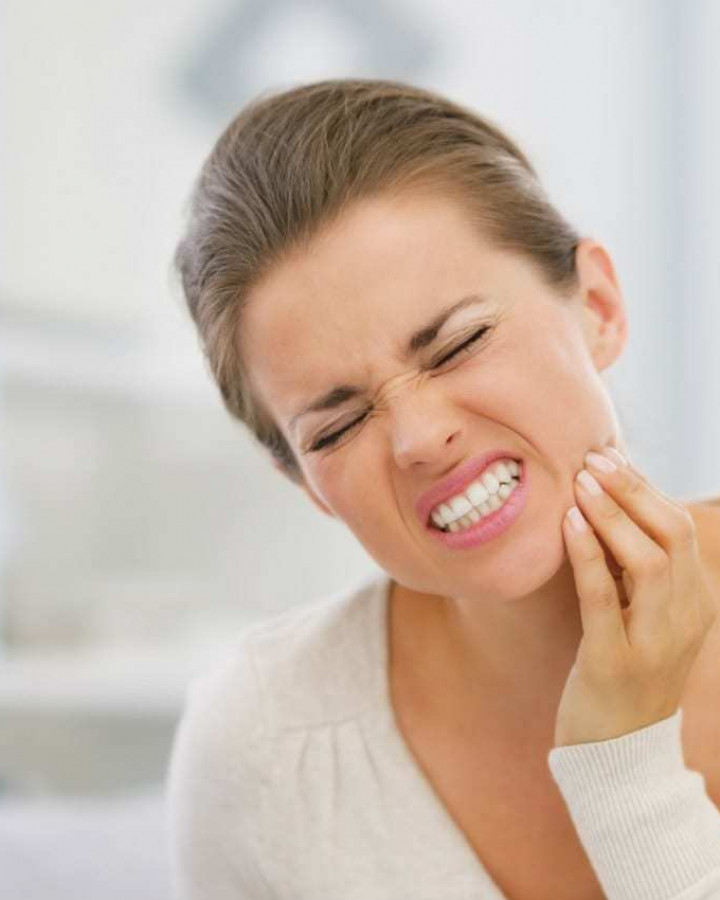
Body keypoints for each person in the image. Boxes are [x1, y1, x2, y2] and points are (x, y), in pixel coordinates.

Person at [165, 79, 720, 900]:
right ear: (304, 481)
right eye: (337, 426)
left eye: (458, 344)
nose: (420, 439)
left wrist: (623, 769)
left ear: (598, 306)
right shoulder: (263, 749)